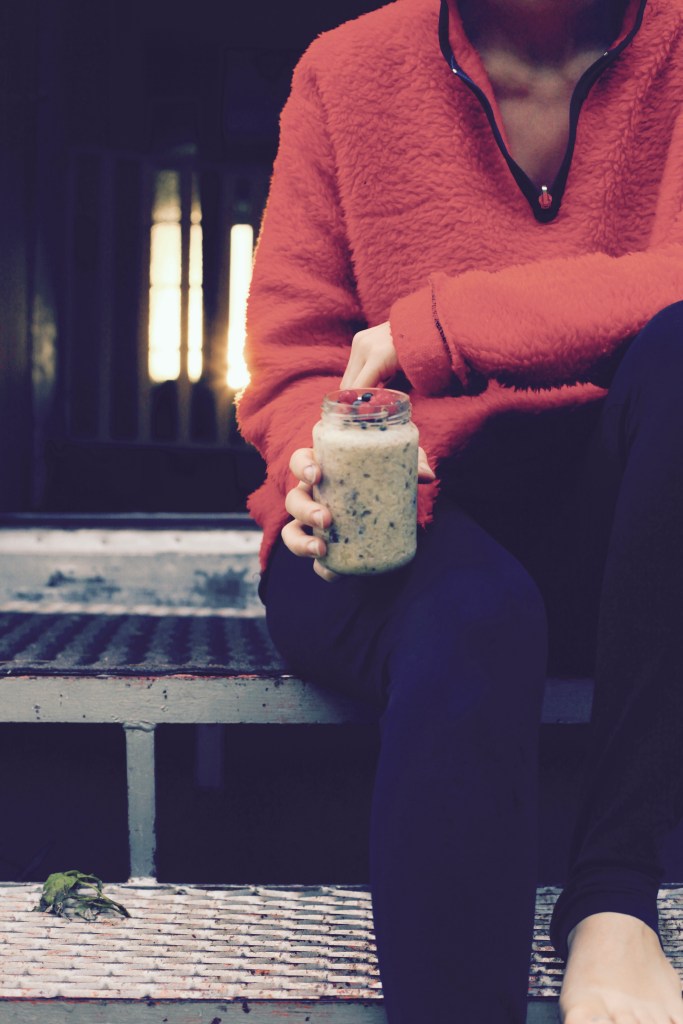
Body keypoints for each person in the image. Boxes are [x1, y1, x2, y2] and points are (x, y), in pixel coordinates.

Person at [235, 0, 683, 1019]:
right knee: (473, 618)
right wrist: (314, 457)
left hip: (626, 520)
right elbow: (298, 352)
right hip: (400, 519)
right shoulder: (345, 71)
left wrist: (441, 324)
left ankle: (612, 895)